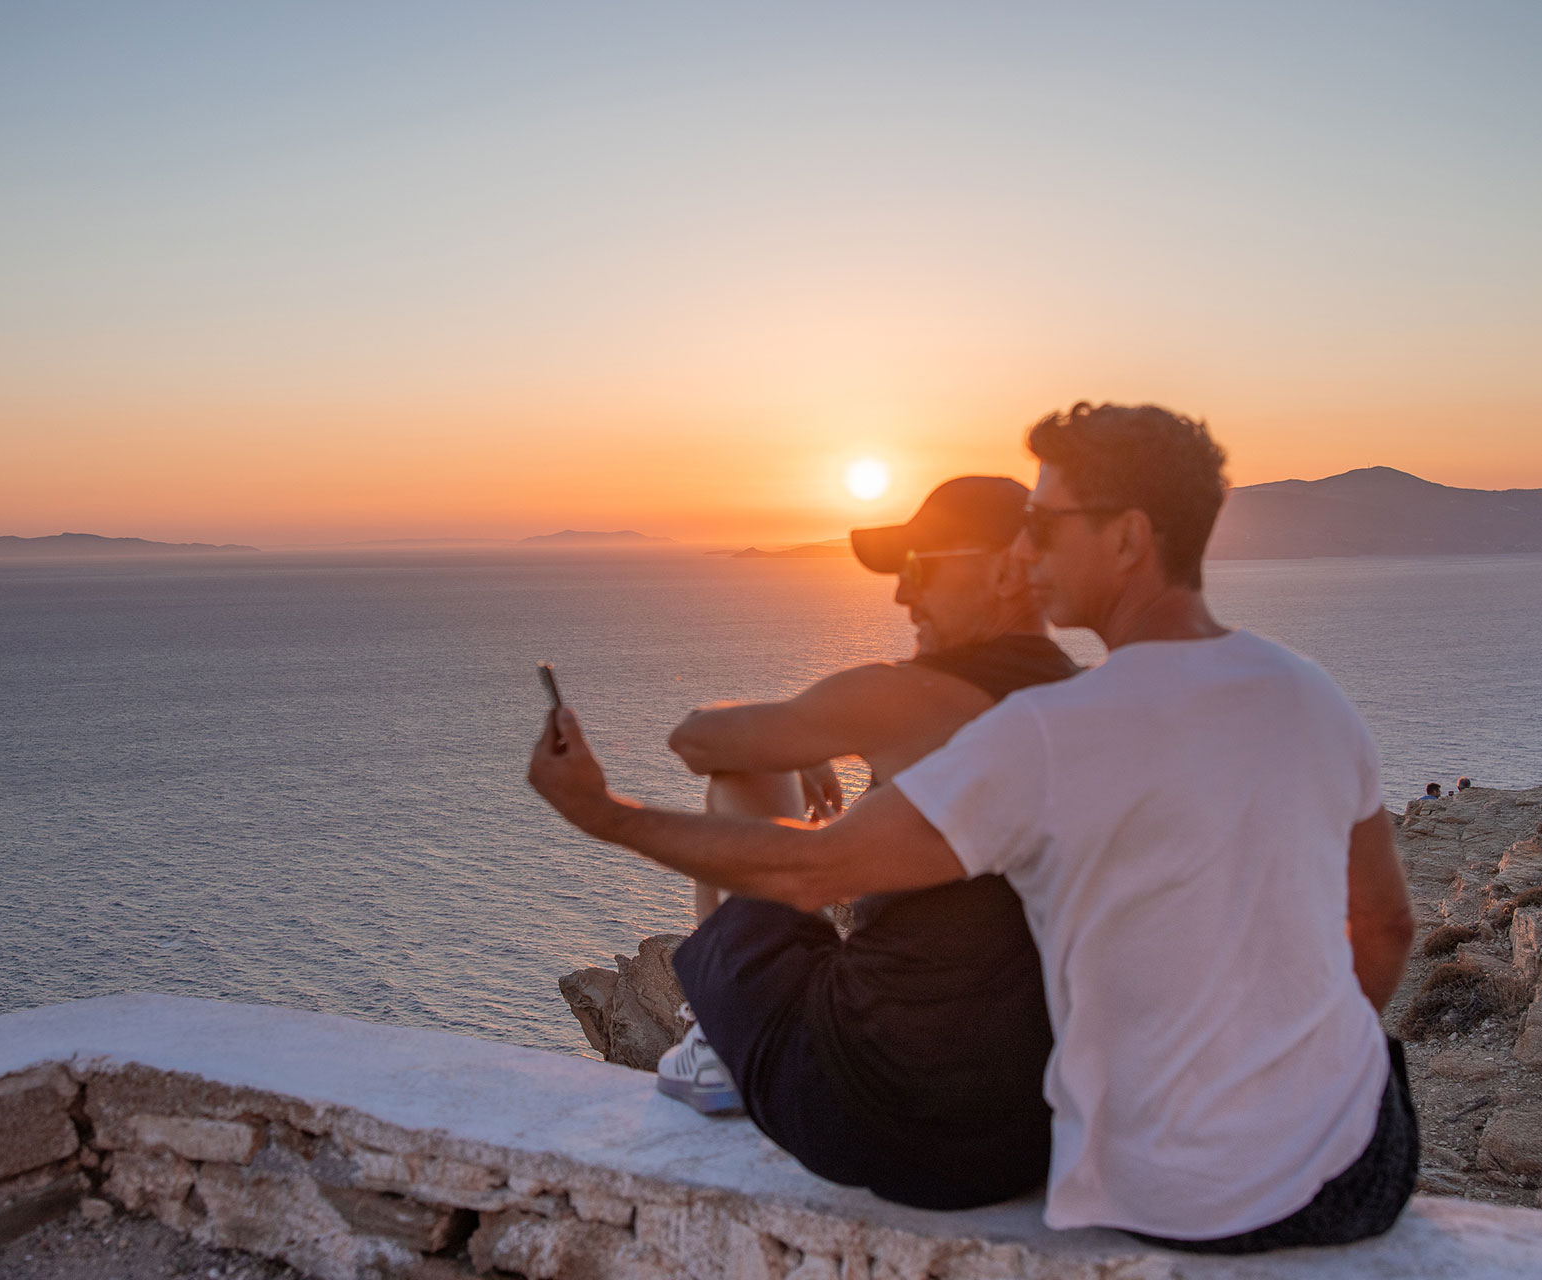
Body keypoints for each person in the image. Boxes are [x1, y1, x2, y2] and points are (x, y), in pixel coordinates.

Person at [528, 403, 1417, 1253]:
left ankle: (716, 1047)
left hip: (1172, 1196)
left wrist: (605, 814)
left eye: (1046, 520)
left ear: (1128, 537)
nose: (1026, 548)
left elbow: (811, 872)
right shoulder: (1308, 691)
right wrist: (1290, 1074)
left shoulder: (1054, 732)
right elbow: (1383, 927)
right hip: (1363, 1164)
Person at [656, 476, 1079, 1210]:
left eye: (921, 569)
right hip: (1029, 1130)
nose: (901, 598)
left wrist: (790, 739)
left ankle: (711, 1047)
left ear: (1008, 568)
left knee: (739, 777)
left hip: (879, 1118)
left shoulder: (906, 696)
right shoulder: (1083, 699)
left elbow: (696, 739)